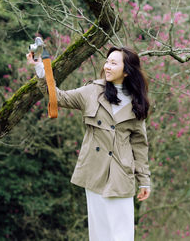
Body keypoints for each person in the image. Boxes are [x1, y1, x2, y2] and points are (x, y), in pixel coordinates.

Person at [26, 46, 151, 241]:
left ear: (127, 71)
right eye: (107, 61)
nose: (107, 66)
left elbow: (139, 145)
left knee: (123, 234)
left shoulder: (137, 102)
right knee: (100, 234)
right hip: (95, 172)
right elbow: (59, 97)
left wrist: (144, 179)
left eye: (113, 63)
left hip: (122, 173)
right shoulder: (93, 91)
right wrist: (41, 70)